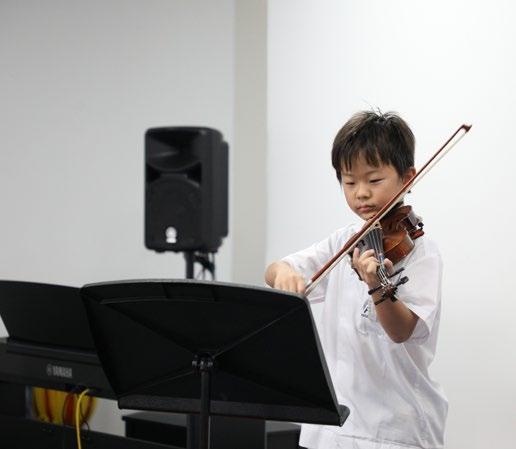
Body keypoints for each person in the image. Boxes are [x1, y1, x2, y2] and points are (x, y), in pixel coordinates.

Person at [265, 111, 447, 449]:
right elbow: (276, 269)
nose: (361, 193)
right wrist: (284, 273)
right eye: (349, 183)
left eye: (374, 180)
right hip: (332, 426)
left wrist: (377, 285)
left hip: (394, 429)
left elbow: (401, 331)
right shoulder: (344, 242)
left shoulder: (421, 253)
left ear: (408, 177)